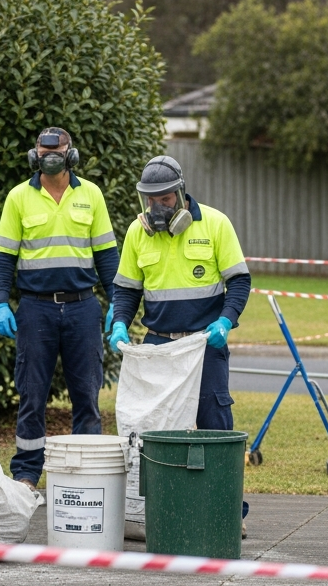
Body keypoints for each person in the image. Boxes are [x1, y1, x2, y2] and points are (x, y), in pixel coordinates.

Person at [107, 155, 252, 527]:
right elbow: (127, 290)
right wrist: (120, 322)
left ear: (181, 192)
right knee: (155, 430)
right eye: (150, 200)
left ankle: (228, 515)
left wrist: (226, 321)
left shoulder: (215, 224)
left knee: (215, 425)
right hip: (158, 347)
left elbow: (239, 281)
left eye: (165, 199)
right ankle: (160, 514)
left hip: (205, 345)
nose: (157, 207)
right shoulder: (138, 233)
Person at [0, 128, 119, 490]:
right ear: (35, 154)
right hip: (35, 309)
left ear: (70, 153)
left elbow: (107, 256)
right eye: (43, 150)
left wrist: (117, 303)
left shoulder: (91, 194)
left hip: (83, 308)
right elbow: (3, 257)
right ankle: (27, 474)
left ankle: (86, 475)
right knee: (32, 395)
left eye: (57, 150)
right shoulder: (19, 197)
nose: (50, 156)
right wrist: (1, 303)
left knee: (87, 395)